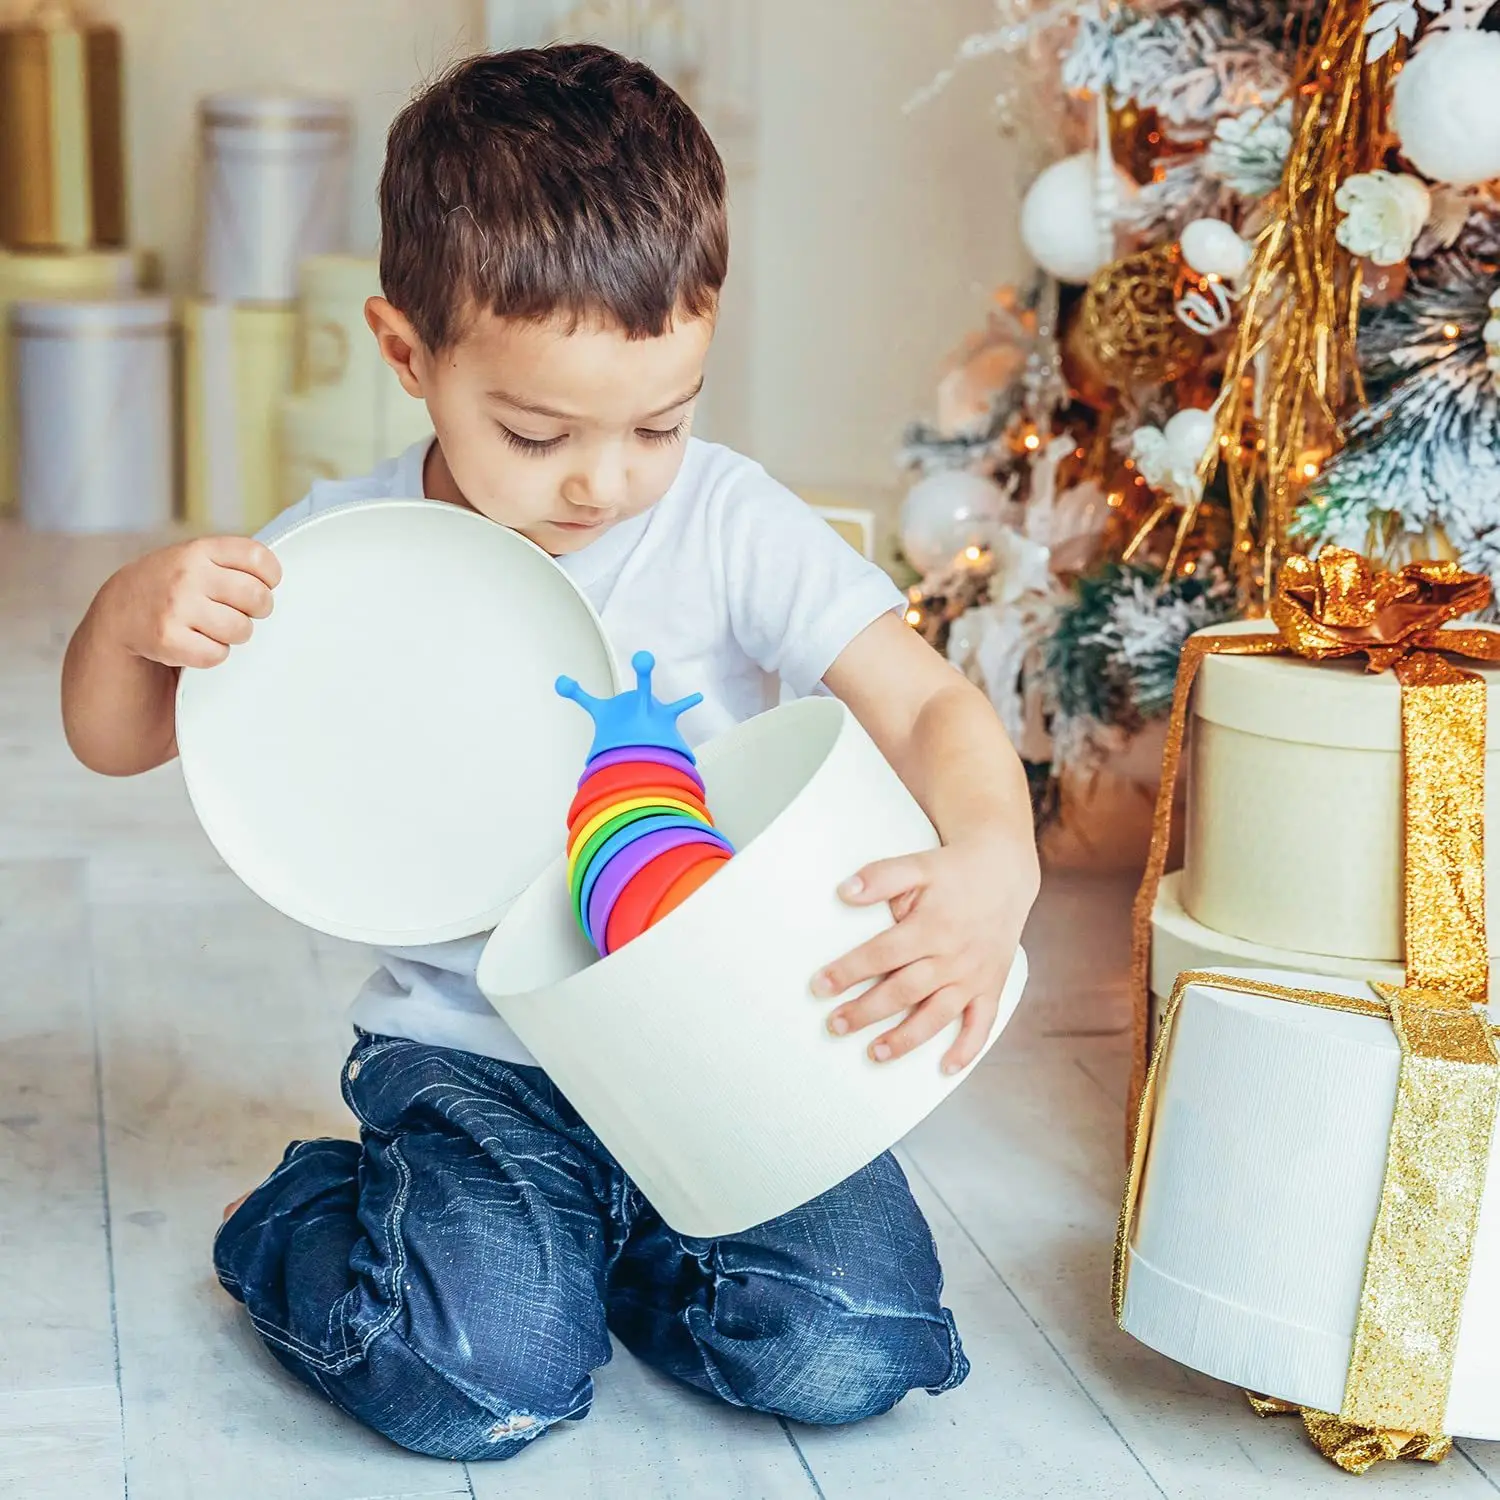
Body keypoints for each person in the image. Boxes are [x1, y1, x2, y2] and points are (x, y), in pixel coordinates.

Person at [60, 45, 1040, 1462]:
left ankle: (604, 1259)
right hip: (479, 1066)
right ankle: (299, 1221)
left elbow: (929, 704)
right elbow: (118, 741)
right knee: (478, 1388)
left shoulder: (725, 520)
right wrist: (124, 620)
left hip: (722, 1039)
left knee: (856, 1343)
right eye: (537, 431)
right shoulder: (350, 558)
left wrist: (993, 858)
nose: (603, 478)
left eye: (659, 419)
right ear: (408, 355)